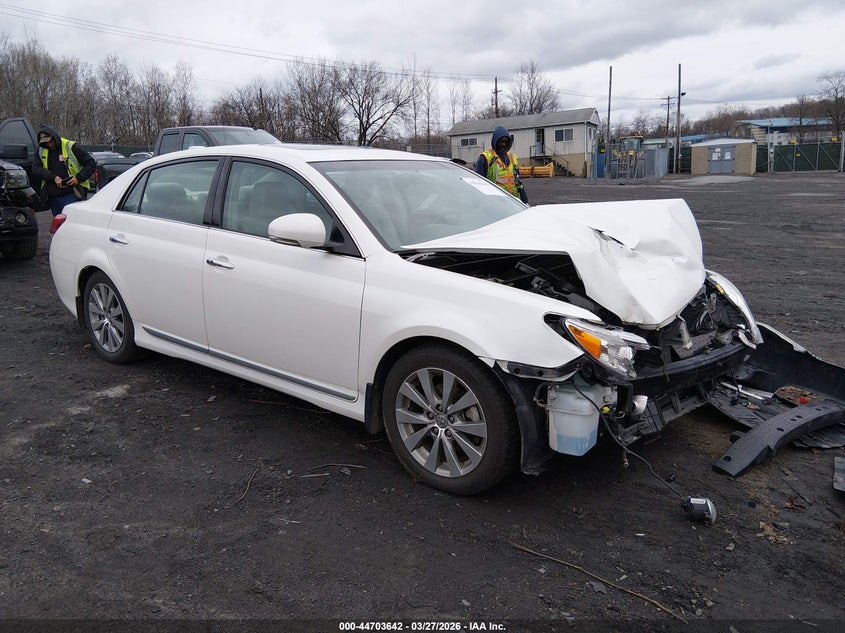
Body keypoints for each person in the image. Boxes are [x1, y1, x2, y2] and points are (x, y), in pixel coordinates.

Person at [32, 124, 96, 216]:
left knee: (72, 221)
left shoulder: (70, 146)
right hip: (53, 196)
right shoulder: (41, 150)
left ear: (55, 136)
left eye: (51, 141)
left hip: (72, 193)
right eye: (46, 143)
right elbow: (36, 169)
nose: (50, 144)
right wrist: (53, 177)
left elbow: (91, 163)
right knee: (59, 222)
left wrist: (78, 178)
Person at [474, 125, 528, 203]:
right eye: (501, 142)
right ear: (495, 142)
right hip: (495, 202)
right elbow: (478, 183)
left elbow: (518, 180)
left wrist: (524, 196)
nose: (503, 144)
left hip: (513, 201)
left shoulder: (512, 158)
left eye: (506, 142)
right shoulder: (486, 158)